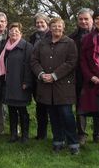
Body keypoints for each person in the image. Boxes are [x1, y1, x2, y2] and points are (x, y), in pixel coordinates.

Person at [31, 17, 79, 154]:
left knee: (66, 115)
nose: (56, 29)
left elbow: (71, 62)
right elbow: (34, 61)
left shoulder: (69, 43)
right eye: (54, 26)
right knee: (53, 115)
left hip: (63, 87)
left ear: (63, 27)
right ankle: (58, 140)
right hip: (46, 86)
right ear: (50, 28)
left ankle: (73, 143)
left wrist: (54, 75)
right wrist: (41, 74)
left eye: (59, 26)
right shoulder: (42, 43)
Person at [0, 23, 33, 143]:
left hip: (21, 84)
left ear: (21, 33)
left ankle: (25, 136)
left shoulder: (27, 46)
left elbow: (29, 66)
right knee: (12, 110)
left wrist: (27, 82)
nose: (13, 33)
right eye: (11, 31)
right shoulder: (5, 47)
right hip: (8, 83)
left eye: (16, 31)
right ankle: (13, 135)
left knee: (22, 111)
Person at [70, 8, 99, 144]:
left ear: (92, 20)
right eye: (80, 19)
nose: (83, 21)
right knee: (80, 107)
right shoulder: (72, 37)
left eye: (86, 19)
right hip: (79, 77)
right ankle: (81, 134)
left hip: (98, 77)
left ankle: (97, 135)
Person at [79, 7, 99, 153]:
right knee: (87, 110)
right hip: (91, 81)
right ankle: (83, 137)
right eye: (97, 19)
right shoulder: (87, 39)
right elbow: (82, 60)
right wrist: (91, 76)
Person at [29, 12, 51, 140]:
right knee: (39, 105)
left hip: (49, 74)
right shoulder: (33, 37)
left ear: (47, 23)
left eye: (42, 22)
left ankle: (57, 134)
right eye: (37, 22)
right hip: (35, 75)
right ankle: (41, 133)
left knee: (51, 106)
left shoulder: (51, 35)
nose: (39, 24)